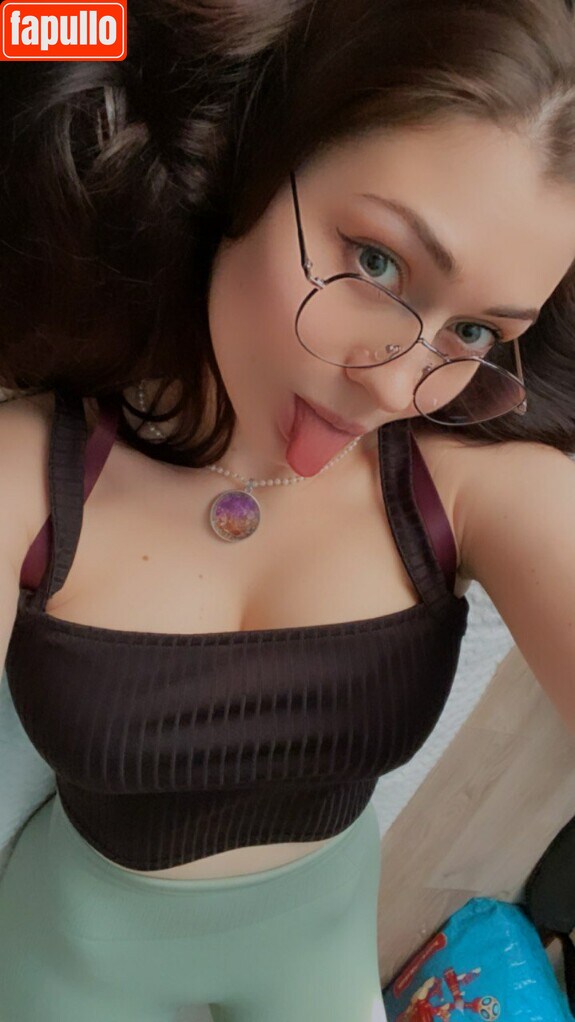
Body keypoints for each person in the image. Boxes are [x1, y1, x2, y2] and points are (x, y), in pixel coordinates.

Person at [0, 0, 574, 1018]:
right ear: (250, 156)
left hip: (317, 929)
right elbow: (46, 26)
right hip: (80, 943)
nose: (397, 386)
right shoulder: (27, 475)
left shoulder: (458, 486)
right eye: (378, 263)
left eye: (476, 332)